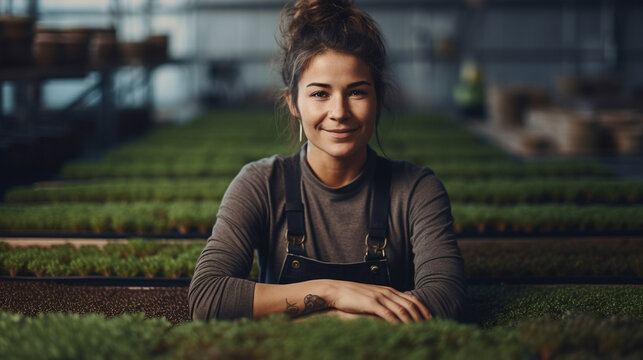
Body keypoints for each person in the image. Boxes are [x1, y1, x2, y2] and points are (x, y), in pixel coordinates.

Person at [189, 0, 466, 323]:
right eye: (320, 93)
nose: (339, 112)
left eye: (356, 92)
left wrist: (337, 318)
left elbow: (446, 298)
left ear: (379, 99)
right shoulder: (260, 184)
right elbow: (208, 297)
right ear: (293, 102)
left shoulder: (417, 190)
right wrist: (332, 291)